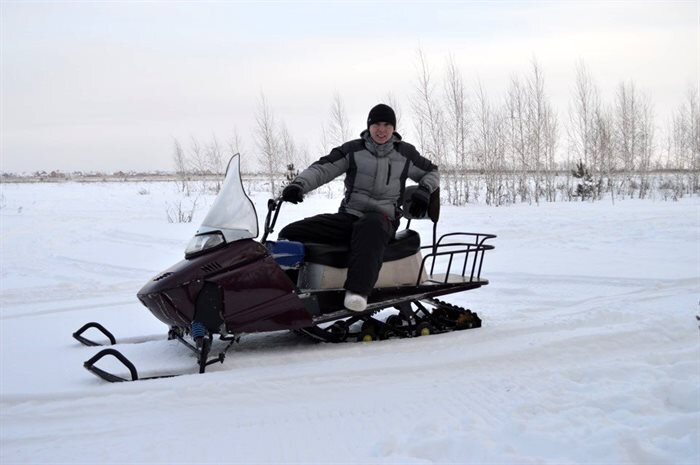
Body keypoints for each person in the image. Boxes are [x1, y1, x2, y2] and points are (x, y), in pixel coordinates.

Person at [279, 103, 439, 312]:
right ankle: (287, 293)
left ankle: (357, 292)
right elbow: (322, 169)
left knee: (370, 223)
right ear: (369, 126)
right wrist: (298, 185)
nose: (381, 130)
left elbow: (432, 172)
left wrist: (424, 191)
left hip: (383, 220)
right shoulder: (353, 150)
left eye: (387, 125)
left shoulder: (405, 153)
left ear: (394, 128)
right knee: (291, 232)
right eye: (377, 125)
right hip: (349, 217)